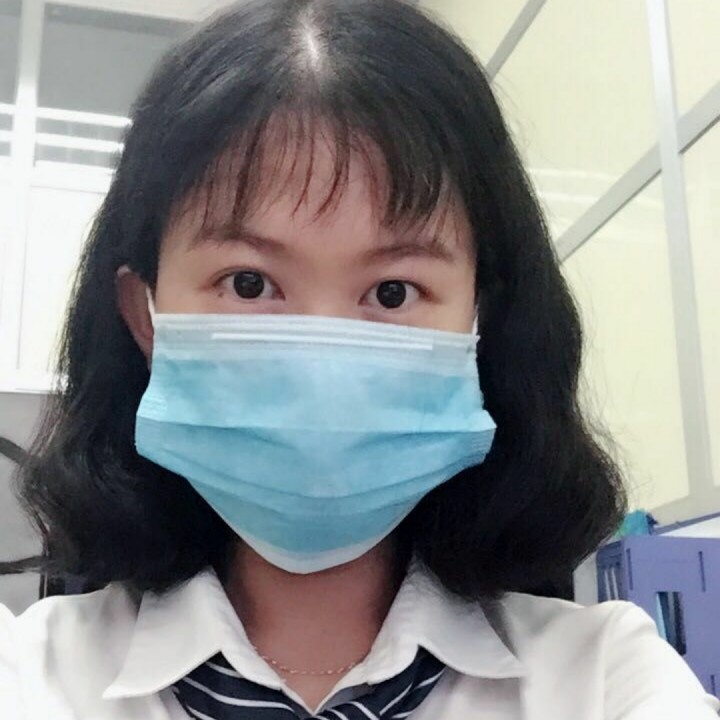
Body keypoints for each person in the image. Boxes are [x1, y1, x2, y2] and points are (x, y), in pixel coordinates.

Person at [1, 1, 717, 718]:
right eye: (248, 283)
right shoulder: (31, 679)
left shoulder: (606, 680)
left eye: (393, 291)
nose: (321, 371)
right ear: (145, 316)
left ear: (480, 323)